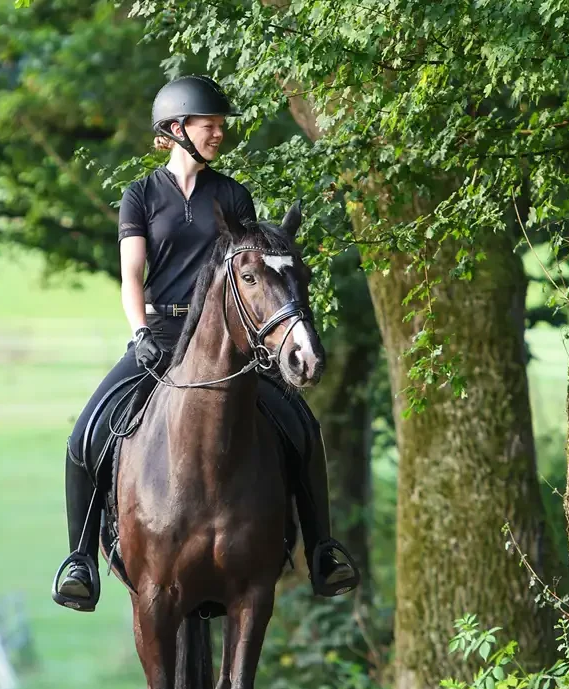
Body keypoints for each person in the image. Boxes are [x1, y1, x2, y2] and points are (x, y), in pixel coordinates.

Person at [55, 75, 358, 611]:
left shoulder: (232, 194)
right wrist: (140, 333)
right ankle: (80, 559)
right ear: (176, 130)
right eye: (208, 125)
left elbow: (252, 269)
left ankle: (323, 550)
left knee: (302, 427)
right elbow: (131, 275)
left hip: (229, 340)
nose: (219, 133)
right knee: (85, 435)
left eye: (219, 125)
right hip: (161, 331)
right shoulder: (141, 195)